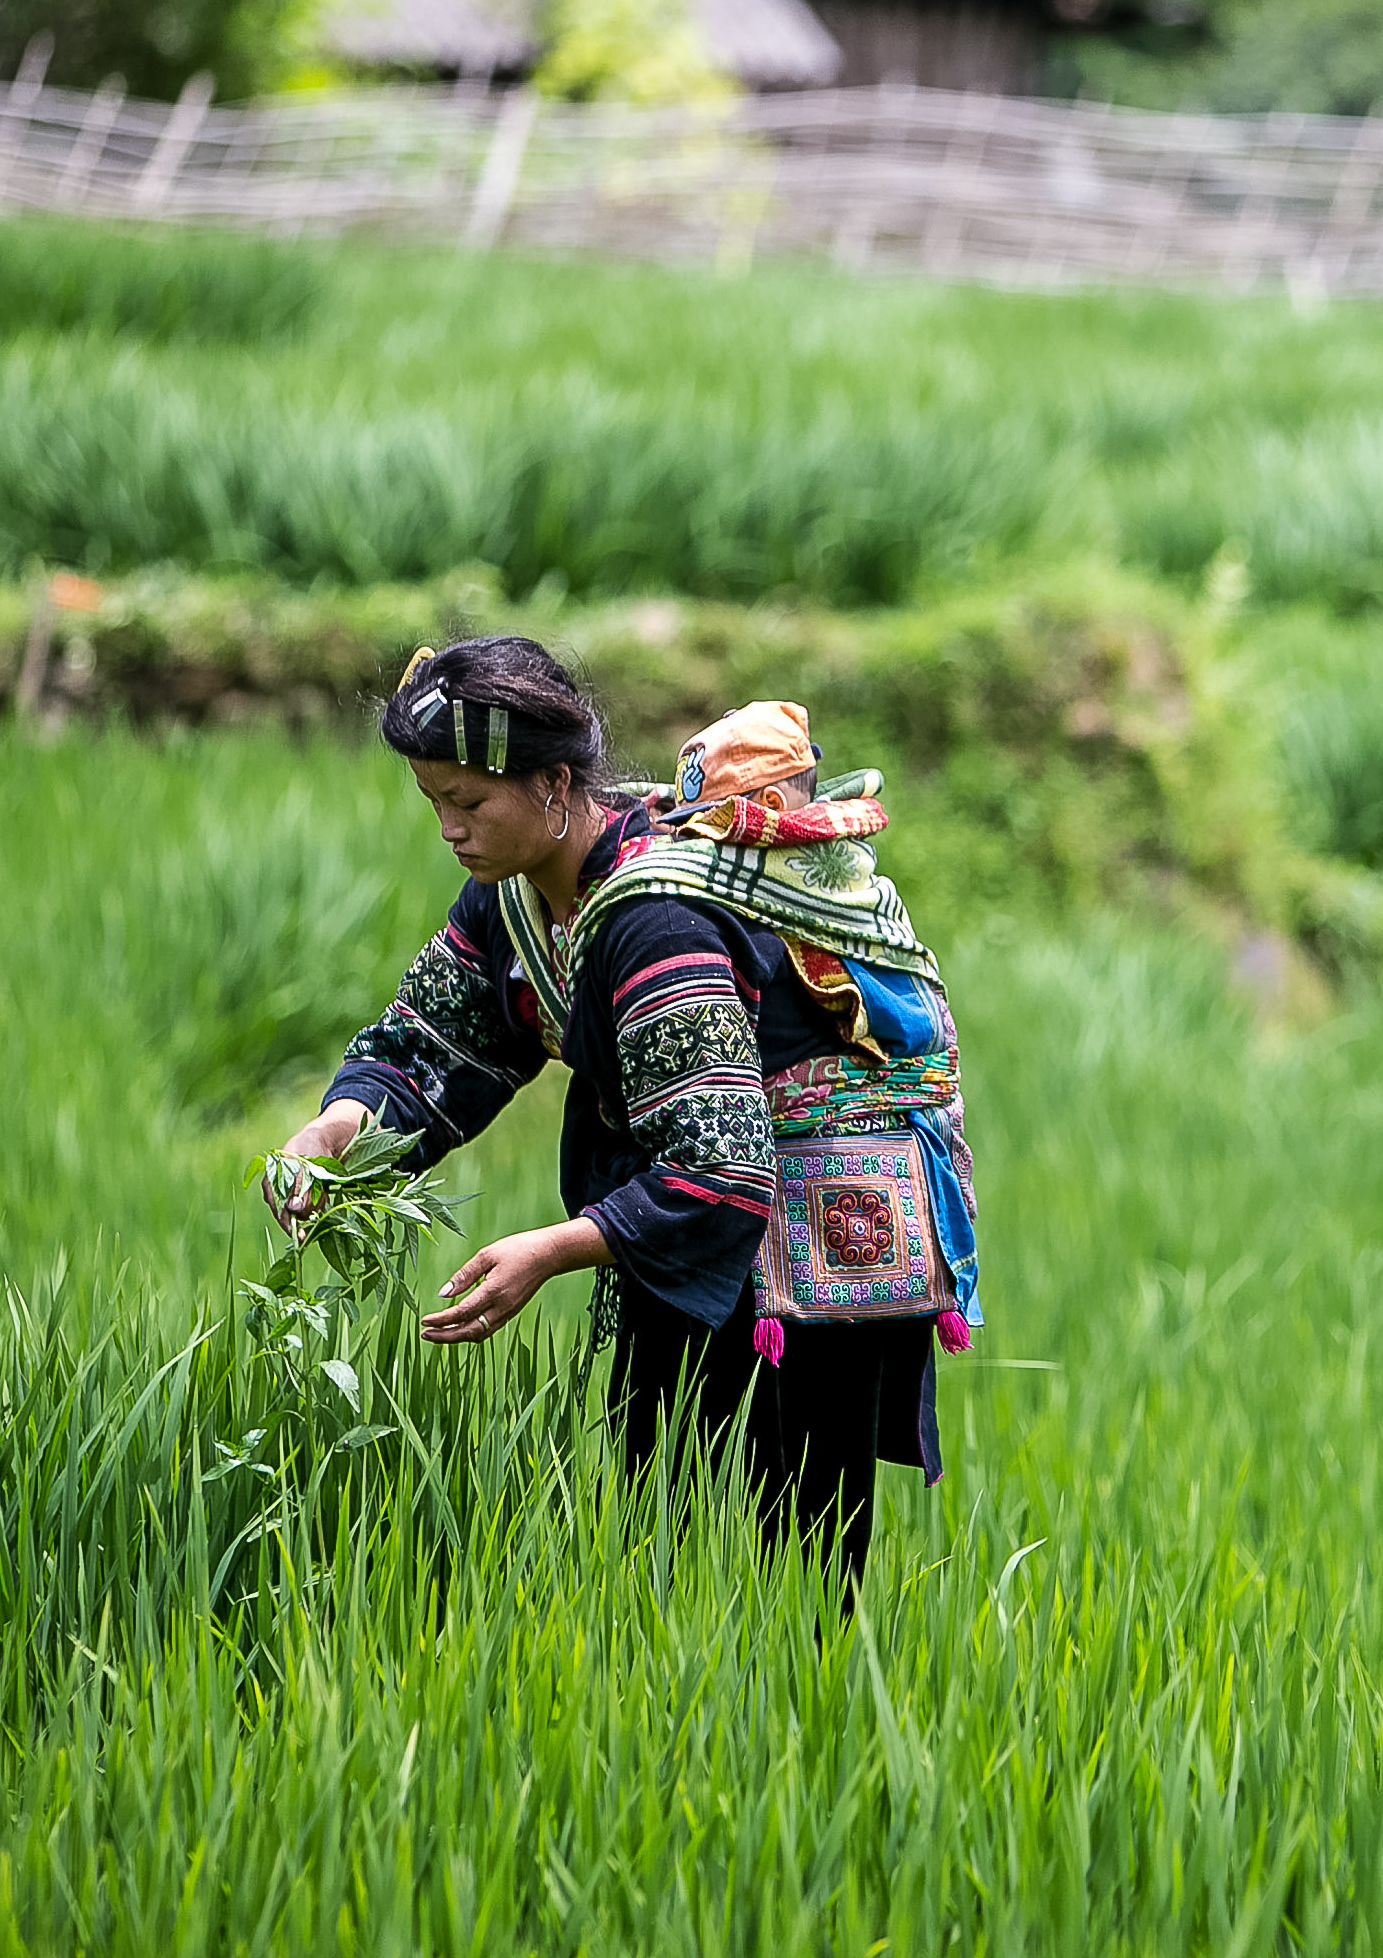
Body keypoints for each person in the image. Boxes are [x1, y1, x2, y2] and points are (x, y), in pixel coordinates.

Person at [268, 639, 977, 1590]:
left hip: (808, 1228)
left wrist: (550, 1251)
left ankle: (815, 1722)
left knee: (805, 1558)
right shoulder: (514, 903)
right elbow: (431, 1043)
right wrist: (338, 1129)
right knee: (658, 1531)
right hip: (682, 1212)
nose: (450, 829)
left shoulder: (654, 923)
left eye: (469, 802)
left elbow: (720, 1169)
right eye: (434, 802)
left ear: (557, 785)